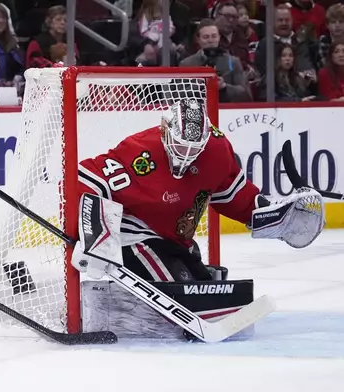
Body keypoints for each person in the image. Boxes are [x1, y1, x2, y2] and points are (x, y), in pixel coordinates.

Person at [72, 99, 324, 338]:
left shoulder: (216, 149)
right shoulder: (139, 152)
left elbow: (233, 194)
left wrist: (274, 214)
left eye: (195, 148)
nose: (187, 155)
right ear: (164, 130)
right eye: (181, 146)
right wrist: (95, 233)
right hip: (135, 236)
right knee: (182, 294)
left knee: (202, 288)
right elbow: (86, 177)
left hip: (176, 239)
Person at [180, 19, 251, 102]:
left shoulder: (233, 62)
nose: (210, 41)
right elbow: (178, 95)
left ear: (219, 38)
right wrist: (200, 85)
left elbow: (244, 93)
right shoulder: (187, 64)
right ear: (198, 39)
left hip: (226, 110)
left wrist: (224, 86)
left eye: (214, 36)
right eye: (206, 37)